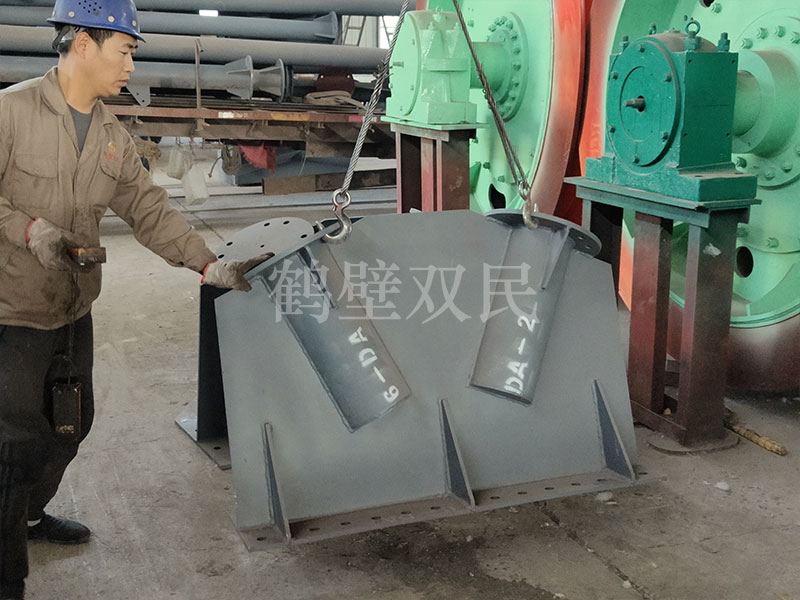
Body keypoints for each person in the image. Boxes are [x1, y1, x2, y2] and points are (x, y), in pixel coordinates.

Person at [0, 1, 269, 598]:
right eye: (124, 50)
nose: (130, 64)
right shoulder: (11, 113)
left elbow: (148, 210)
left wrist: (209, 264)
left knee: (69, 427)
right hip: (12, 312)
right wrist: (29, 229)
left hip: (73, 309)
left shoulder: (110, 136)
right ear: (83, 43)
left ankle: (28, 517)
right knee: (12, 444)